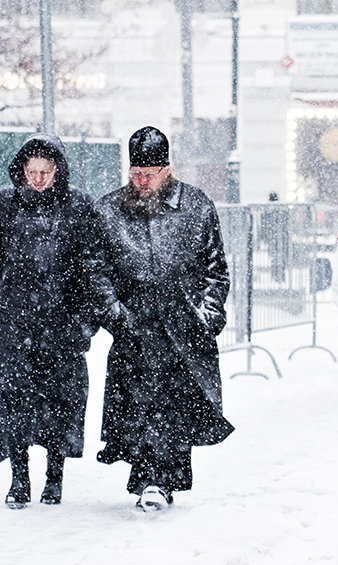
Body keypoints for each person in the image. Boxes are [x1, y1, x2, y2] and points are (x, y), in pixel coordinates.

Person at [92, 126, 234, 511]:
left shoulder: (195, 206)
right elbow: (95, 270)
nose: (141, 181)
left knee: (173, 406)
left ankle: (159, 479)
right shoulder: (108, 211)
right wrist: (116, 315)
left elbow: (215, 269)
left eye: (149, 174)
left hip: (184, 326)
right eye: (135, 173)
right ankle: (151, 478)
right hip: (134, 325)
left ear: (167, 169)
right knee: (139, 405)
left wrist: (207, 315)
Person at [0, 134, 99, 509]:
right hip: (12, 323)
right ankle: (19, 478)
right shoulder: (3, 207)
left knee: (61, 402)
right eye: (31, 171)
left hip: (61, 326)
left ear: (58, 171)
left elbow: (92, 270)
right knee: (12, 402)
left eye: (45, 171)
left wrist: (87, 321)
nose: (37, 179)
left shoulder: (78, 208)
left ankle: (55, 478)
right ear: (22, 170)